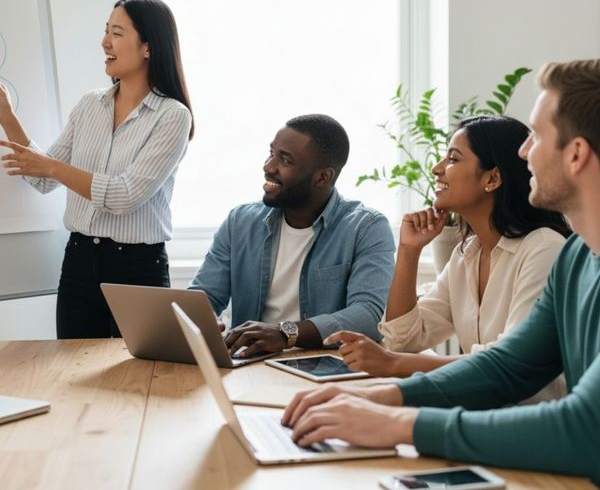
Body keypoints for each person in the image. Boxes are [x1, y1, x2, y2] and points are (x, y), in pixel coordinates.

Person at [282, 59, 600, 485]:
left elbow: (586, 429)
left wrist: (399, 423)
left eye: (537, 136)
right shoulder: (578, 257)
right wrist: (380, 397)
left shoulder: (550, 251)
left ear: (576, 154)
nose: (525, 151)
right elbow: (507, 368)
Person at [0, 0, 193, 339]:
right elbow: (42, 179)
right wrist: (7, 117)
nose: (105, 42)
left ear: (148, 46)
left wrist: (53, 168)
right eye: (106, 31)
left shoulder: (173, 116)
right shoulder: (90, 104)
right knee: (74, 377)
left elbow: (124, 195)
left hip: (137, 269)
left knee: (138, 382)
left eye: (117, 33)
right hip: (78, 261)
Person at [327, 116, 570, 386]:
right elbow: (402, 340)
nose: (436, 169)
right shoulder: (466, 255)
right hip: (479, 410)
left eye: (453, 159)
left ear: (493, 178)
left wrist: (394, 364)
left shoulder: (544, 249)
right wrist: (409, 250)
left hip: (532, 419)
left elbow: (511, 361)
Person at [188, 114, 395, 357]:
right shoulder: (240, 221)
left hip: (322, 365)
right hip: (247, 363)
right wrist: (203, 318)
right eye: (271, 153)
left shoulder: (366, 228)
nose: (268, 167)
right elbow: (204, 295)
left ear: (322, 177)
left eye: (285, 160)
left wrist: (286, 333)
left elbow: (367, 316)